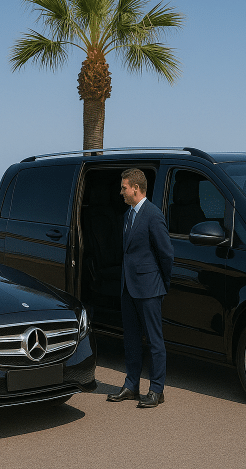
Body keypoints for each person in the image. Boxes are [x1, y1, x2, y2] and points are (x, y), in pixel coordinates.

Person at [107, 168, 173, 408]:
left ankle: (157, 390)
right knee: (131, 340)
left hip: (150, 288)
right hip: (129, 288)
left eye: (124, 187)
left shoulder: (153, 215)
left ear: (136, 188)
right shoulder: (128, 215)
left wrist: (162, 284)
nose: (121, 192)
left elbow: (166, 254)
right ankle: (131, 385)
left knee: (155, 341)